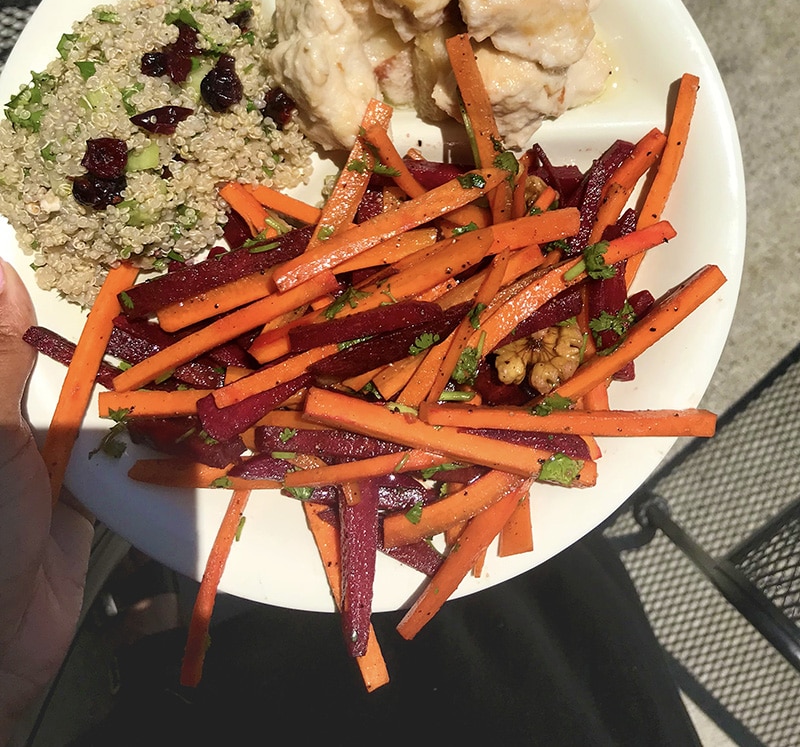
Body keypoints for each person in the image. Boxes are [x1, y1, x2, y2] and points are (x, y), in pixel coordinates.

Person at [0, 256, 703, 747]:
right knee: (536, 606)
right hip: (562, 676)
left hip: (289, 688)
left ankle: (150, 619)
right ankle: (151, 620)